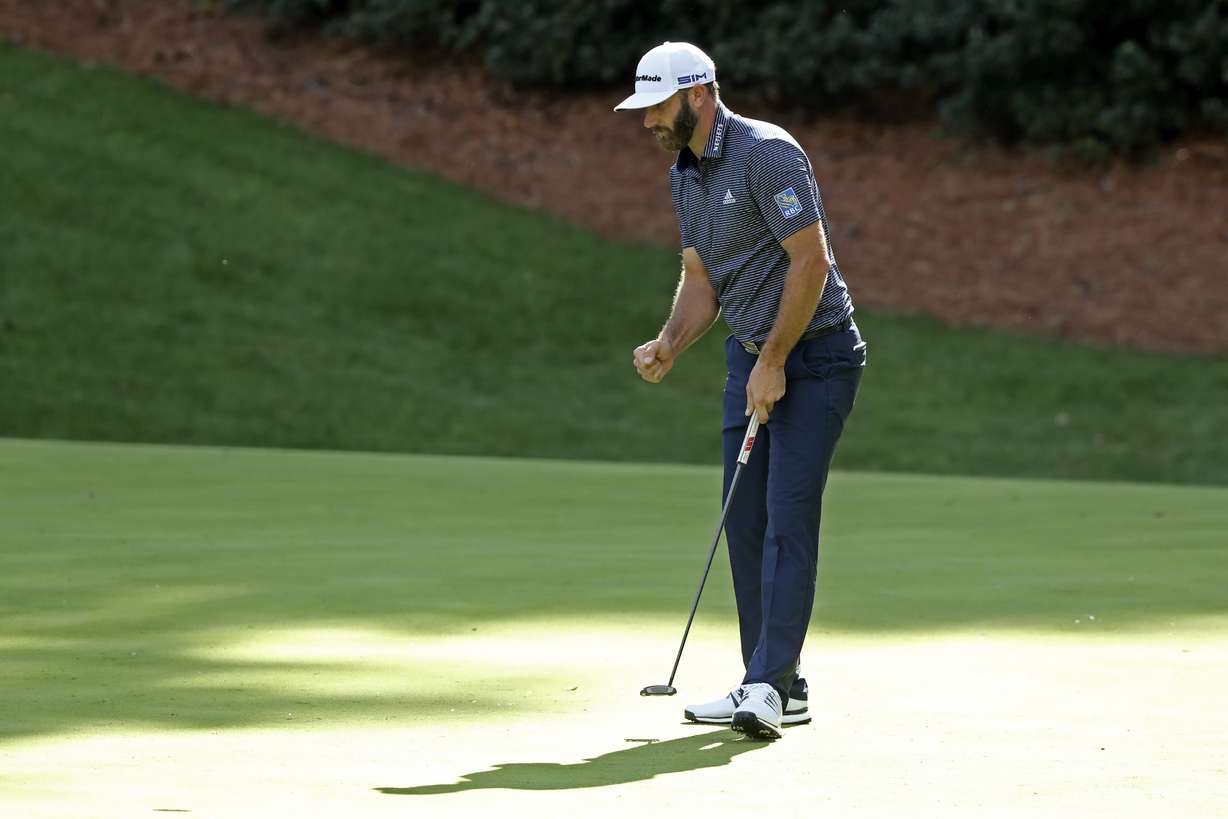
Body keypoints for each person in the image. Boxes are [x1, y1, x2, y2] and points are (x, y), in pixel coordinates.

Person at [615, 42, 867, 739]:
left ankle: (766, 685)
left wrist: (776, 359)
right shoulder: (685, 174)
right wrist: (670, 342)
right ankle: (777, 682)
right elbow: (702, 278)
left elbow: (810, 261)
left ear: (698, 94)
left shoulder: (767, 154)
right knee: (746, 521)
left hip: (816, 359)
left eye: (657, 106)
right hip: (752, 360)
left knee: (788, 519)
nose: (647, 121)